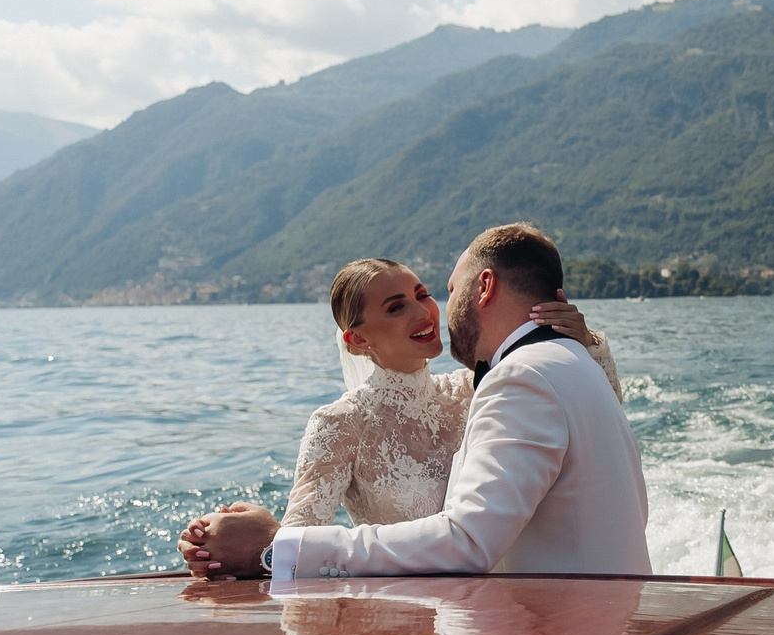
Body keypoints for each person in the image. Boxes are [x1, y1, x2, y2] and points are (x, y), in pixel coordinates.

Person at [181, 222, 653, 581]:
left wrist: (586, 344)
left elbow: (594, 439)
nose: (425, 311)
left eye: (424, 294)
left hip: (504, 618)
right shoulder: (339, 424)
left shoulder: (485, 386)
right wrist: (259, 544)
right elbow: (302, 540)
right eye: (395, 306)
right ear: (357, 340)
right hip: (408, 623)